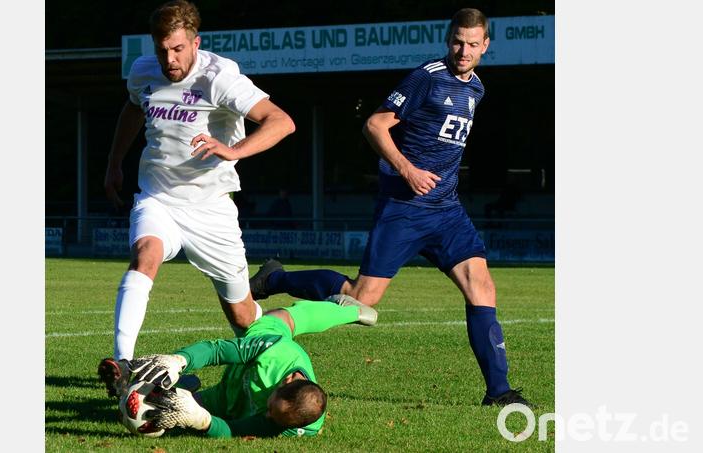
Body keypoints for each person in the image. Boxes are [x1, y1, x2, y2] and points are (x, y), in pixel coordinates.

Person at [248, 8, 531, 407]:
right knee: (361, 297)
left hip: (446, 209)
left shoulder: (477, 88)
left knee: (481, 286)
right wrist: (407, 170)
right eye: (457, 41)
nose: (463, 50)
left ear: (485, 45)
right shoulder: (426, 77)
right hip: (404, 205)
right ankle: (276, 279)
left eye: (471, 44)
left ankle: (499, 392)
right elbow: (375, 125)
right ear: (447, 38)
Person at [98, 0, 297, 396]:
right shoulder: (143, 70)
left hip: (210, 207)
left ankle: (290, 304)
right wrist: (114, 162)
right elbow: (134, 109)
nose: (169, 59)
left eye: (177, 49)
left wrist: (233, 151)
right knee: (145, 255)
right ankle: (122, 366)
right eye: (161, 50)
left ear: (195, 42)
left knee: (243, 319)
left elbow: (282, 122)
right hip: (158, 196)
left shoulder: (219, 76)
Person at [113, 295, 378, 438]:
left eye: (275, 420)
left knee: (169, 408)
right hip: (266, 345)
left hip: (224, 401)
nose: (268, 417)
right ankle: (346, 309)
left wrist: (202, 421)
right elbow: (218, 350)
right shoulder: (274, 351)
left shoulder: (301, 426)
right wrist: (179, 360)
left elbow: (241, 430)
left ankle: (176, 387)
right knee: (276, 319)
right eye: (271, 409)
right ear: (286, 382)